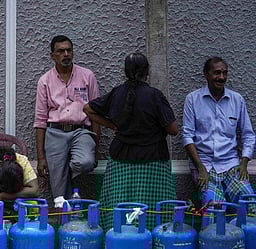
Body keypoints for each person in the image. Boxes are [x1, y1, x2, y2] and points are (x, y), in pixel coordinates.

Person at [83, 52, 178, 231]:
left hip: (121, 159)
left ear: (125, 72)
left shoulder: (117, 93)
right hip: (153, 160)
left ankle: (118, 237)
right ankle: (155, 238)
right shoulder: (155, 96)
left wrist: (112, 125)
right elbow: (173, 130)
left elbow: (87, 108)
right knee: (153, 206)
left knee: (120, 202)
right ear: (147, 72)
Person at [182, 56, 255, 224]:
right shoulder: (193, 99)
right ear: (206, 75)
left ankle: (243, 246)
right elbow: (187, 136)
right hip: (205, 165)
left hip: (231, 164)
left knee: (249, 203)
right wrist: (200, 168)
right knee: (214, 207)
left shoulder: (237, 100)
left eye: (224, 73)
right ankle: (214, 248)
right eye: (217, 73)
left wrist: (244, 163)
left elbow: (248, 134)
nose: (221, 77)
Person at [33, 35, 100, 203]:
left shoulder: (87, 76)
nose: (66, 54)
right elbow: (40, 120)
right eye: (61, 51)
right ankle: (66, 223)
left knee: (85, 162)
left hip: (81, 132)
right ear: (52, 56)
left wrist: (96, 147)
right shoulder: (45, 81)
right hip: (55, 132)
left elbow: (96, 114)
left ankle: (65, 172)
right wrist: (41, 158)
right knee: (59, 193)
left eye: (69, 50)